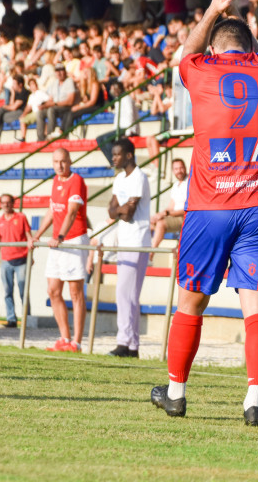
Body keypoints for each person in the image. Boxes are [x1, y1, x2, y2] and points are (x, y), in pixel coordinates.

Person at [150, 0, 258, 427]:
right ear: (251, 46)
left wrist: (214, 7)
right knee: (257, 308)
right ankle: (255, 402)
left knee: (191, 302)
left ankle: (176, 393)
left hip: (211, 205)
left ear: (214, 47)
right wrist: (243, 18)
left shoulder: (202, 70)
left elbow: (183, 55)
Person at [29, 148, 89, 353]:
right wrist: (37, 235)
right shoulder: (56, 181)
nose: (60, 165)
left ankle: (77, 342)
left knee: (75, 292)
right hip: (58, 243)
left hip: (74, 240)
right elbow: (52, 211)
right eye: (56, 161)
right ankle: (64, 338)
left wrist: (60, 237)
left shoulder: (76, 180)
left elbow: (72, 212)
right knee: (53, 290)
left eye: (63, 161)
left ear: (70, 161)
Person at [104, 138, 151, 358]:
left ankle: (126, 342)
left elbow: (128, 213)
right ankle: (131, 345)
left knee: (127, 293)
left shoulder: (139, 177)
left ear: (129, 155)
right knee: (126, 293)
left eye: (117, 154)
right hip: (124, 240)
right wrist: (119, 210)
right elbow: (111, 210)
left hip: (137, 241)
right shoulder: (119, 179)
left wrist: (119, 210)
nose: (114, 158)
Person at [0, 194, 32, 328]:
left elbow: (29, 237)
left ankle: (27, 319)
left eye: (8, 202)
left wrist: (31, 256)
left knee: (22, 291)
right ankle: (11, 319)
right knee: (7, 291)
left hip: (22, 260)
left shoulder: (21, 217)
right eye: (3, 203)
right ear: (0, 204)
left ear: (13, 203)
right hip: (6, 260)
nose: (6, 205)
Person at [150, 158, 188, 248]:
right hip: (174, 216)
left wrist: (166, 213)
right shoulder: (176, 185)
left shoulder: (190, 182)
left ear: (185, 168)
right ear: (173, 171)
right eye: (176, 169)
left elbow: (187, 209)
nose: (179, 171)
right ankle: (142, 254)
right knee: (150, 222)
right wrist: (158, 214)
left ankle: (151, 254)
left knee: (161, 223)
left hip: (184, 217)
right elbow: (171, 206)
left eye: (181, 168)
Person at [36, 64, 76, 141]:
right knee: (40, 112)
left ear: (65, 72)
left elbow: (70, 101)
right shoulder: (54, 83)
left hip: (65, 107)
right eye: (57, 71)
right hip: (55, 106)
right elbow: (50, 99)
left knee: (51, 110)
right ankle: (40, 138)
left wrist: (53, 104)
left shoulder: (69, 81)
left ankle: (49, 134)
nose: (59, 73)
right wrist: (44, 105)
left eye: (61, 70)